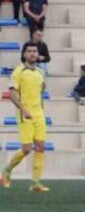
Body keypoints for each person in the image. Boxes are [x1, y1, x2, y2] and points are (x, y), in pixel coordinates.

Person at [1, 41, 51, 193]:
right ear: (24, 54)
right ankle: (7, 170)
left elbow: (40, 93)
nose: (32, 54)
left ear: (38, 54)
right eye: (29, 51)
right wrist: (23, 110)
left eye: (34, 51)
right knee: (27, 149)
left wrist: (42, 111)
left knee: (40, 147)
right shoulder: (19, 71)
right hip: (25, 114)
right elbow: (12, 94)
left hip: (38, 114)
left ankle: (35, 182)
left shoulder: (40, 73)